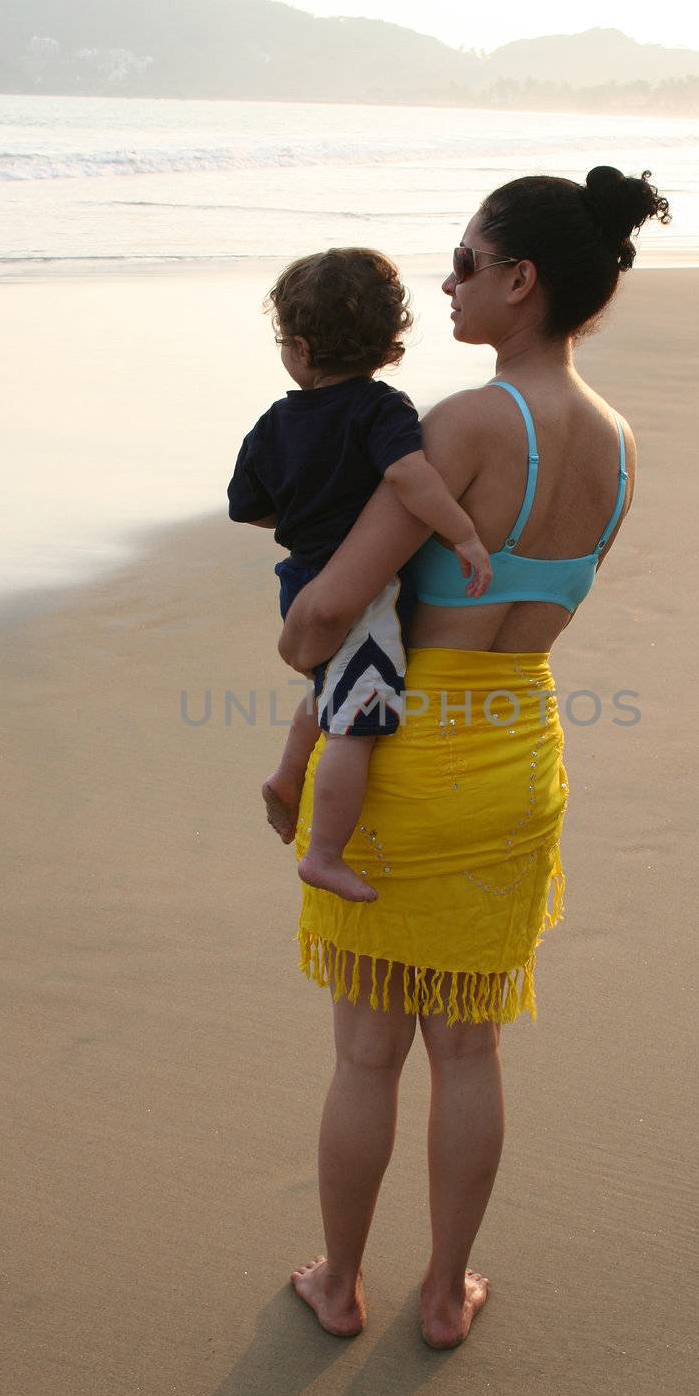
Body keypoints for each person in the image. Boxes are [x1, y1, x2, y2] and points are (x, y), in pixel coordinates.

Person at [277, 168, 670, 1348]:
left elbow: (330, 616)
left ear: (520, 279)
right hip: (518, 753)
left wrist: (297, 642)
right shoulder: (615, 443)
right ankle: (446, 1293)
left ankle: (340, 1283)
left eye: (462, 263)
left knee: (365, 1050)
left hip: (403, 756)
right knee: (469, 1047)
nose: (445, 284)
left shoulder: (462, 423)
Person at [227, 248, 491, 904]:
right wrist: (460, 532)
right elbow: (406, 476)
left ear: (300, 347)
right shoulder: (380, 410)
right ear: (388, 344)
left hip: (304, 574)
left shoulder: (273, 424)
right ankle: (323, 854)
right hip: (362, 589)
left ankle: (289, 776)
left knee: (337, 685)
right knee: (359, 723)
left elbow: (250, 508)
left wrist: (309, 518)